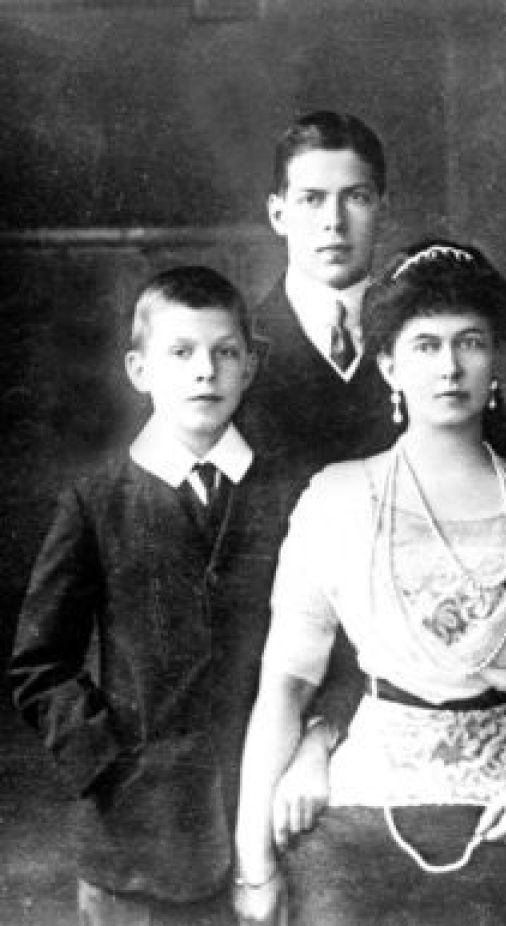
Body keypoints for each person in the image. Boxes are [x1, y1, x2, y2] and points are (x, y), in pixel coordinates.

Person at [232, 241, 506, 926]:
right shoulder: (339, 500)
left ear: (497, 360)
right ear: (388, 366)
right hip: (355, 814)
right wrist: (255, 865)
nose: (450, 367)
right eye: (425, 345)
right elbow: (285, 685)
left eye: (470, 342)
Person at [8, 267, 293, 926]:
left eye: (225, 352)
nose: (205, 371)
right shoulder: (97, 502)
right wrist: (109, 768)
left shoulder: (287, 493)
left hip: (265, 814)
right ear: (139, 370)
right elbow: (39, 664)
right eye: (181, 352)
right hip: (135, 841)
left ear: (250, 368)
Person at [240, 109, 395, 479]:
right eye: (312, 199)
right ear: (278, 215)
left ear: (383, 211)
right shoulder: (237, 343)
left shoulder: (419, 339)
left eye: (356, 197)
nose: (334, 222)